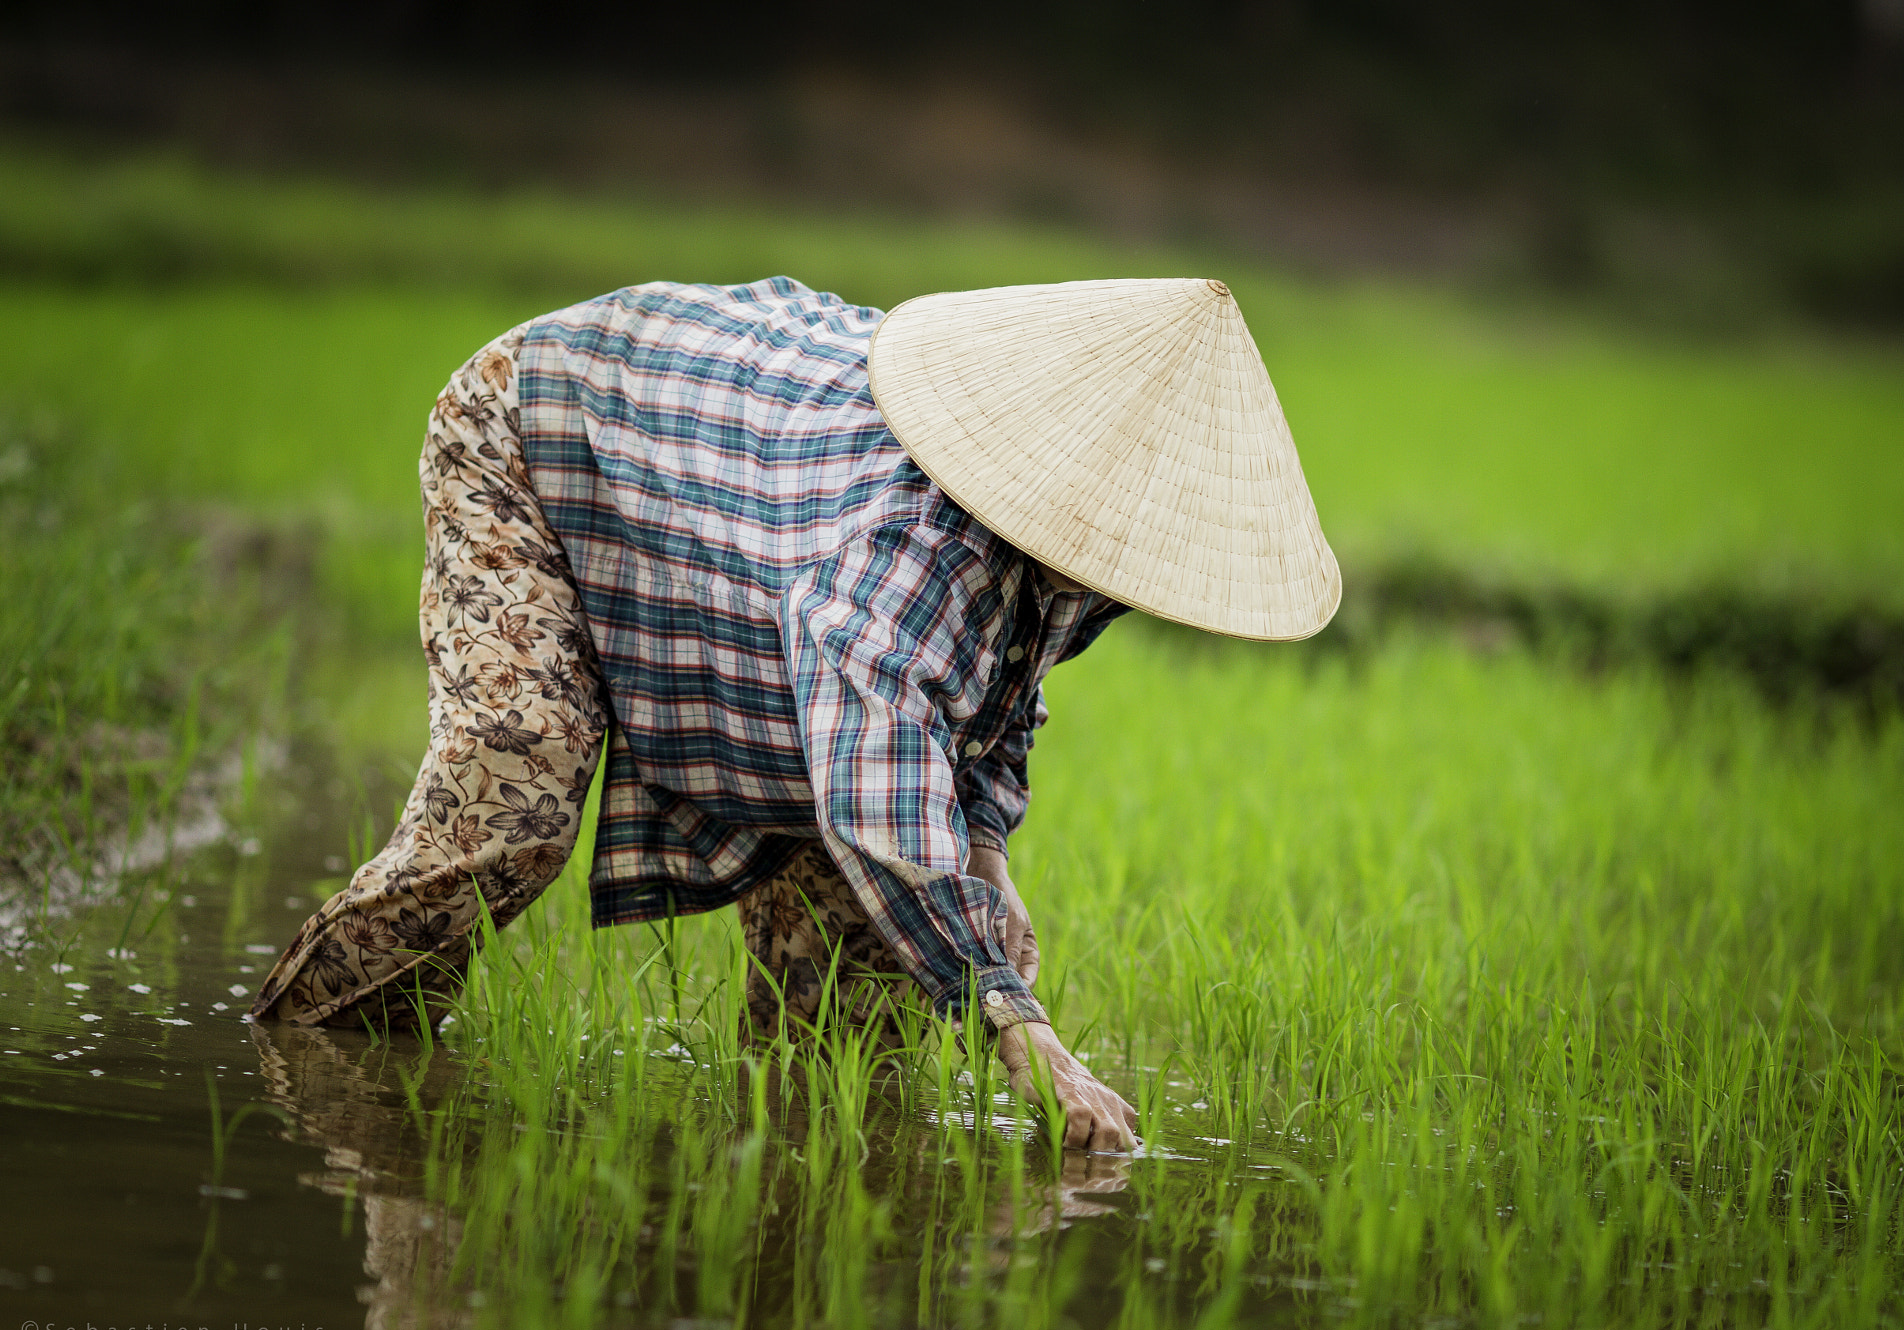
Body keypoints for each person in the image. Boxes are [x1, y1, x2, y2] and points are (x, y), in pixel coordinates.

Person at [252, 274, 1341, 1151]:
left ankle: (795, 1196)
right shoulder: (906, 541)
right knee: (513, 801)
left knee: (859, 976)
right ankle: (305, 1067)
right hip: (543, 434)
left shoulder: (1073, 545)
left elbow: (988, 701)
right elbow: (877, 797)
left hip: (741, 521)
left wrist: (989, 860)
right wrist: (1022, 1029)